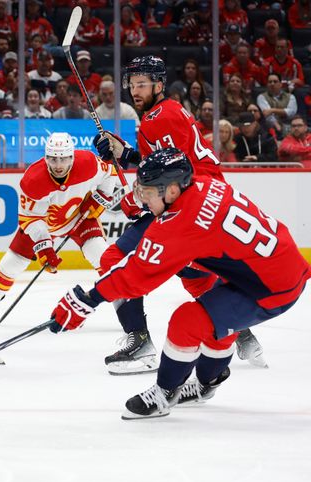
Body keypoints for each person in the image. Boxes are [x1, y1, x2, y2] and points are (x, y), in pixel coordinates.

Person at [49, 148, 310, 419]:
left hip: (271, 287)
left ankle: (166, 392)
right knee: (216, 319)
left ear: (172, 190)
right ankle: (210, 381)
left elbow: (136, 276)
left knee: (187, 321)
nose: (143, 199)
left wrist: (87, 300)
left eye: (148, 192)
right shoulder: (206, 184)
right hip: (277, 264)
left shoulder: (180, 224)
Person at [94, 56, 264, 373]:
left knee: (114, 261)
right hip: (204, 202)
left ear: (159, 85)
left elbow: (174, 172)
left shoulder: (158, 118)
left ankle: (140, 343)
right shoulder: (167, 112)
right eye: (132, 84)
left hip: (191, 203)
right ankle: (241, 333)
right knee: (194, 276)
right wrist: (125, 153)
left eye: (142, 83)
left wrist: (137, 200)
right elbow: (164, 161)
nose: (135, 90)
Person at [0, 133, 117, 319]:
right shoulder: (33, 180)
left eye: (64, 159)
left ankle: (125, 302)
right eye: (53, 159)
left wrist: (100, 198)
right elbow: (31, 219)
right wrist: (44, 247)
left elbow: (110, 173)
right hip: (43, 225)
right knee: (12, 263)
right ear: (45, 157)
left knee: (101, 255)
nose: (58, 165)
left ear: (72, 157)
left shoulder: (88, 163)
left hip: (79, 216)